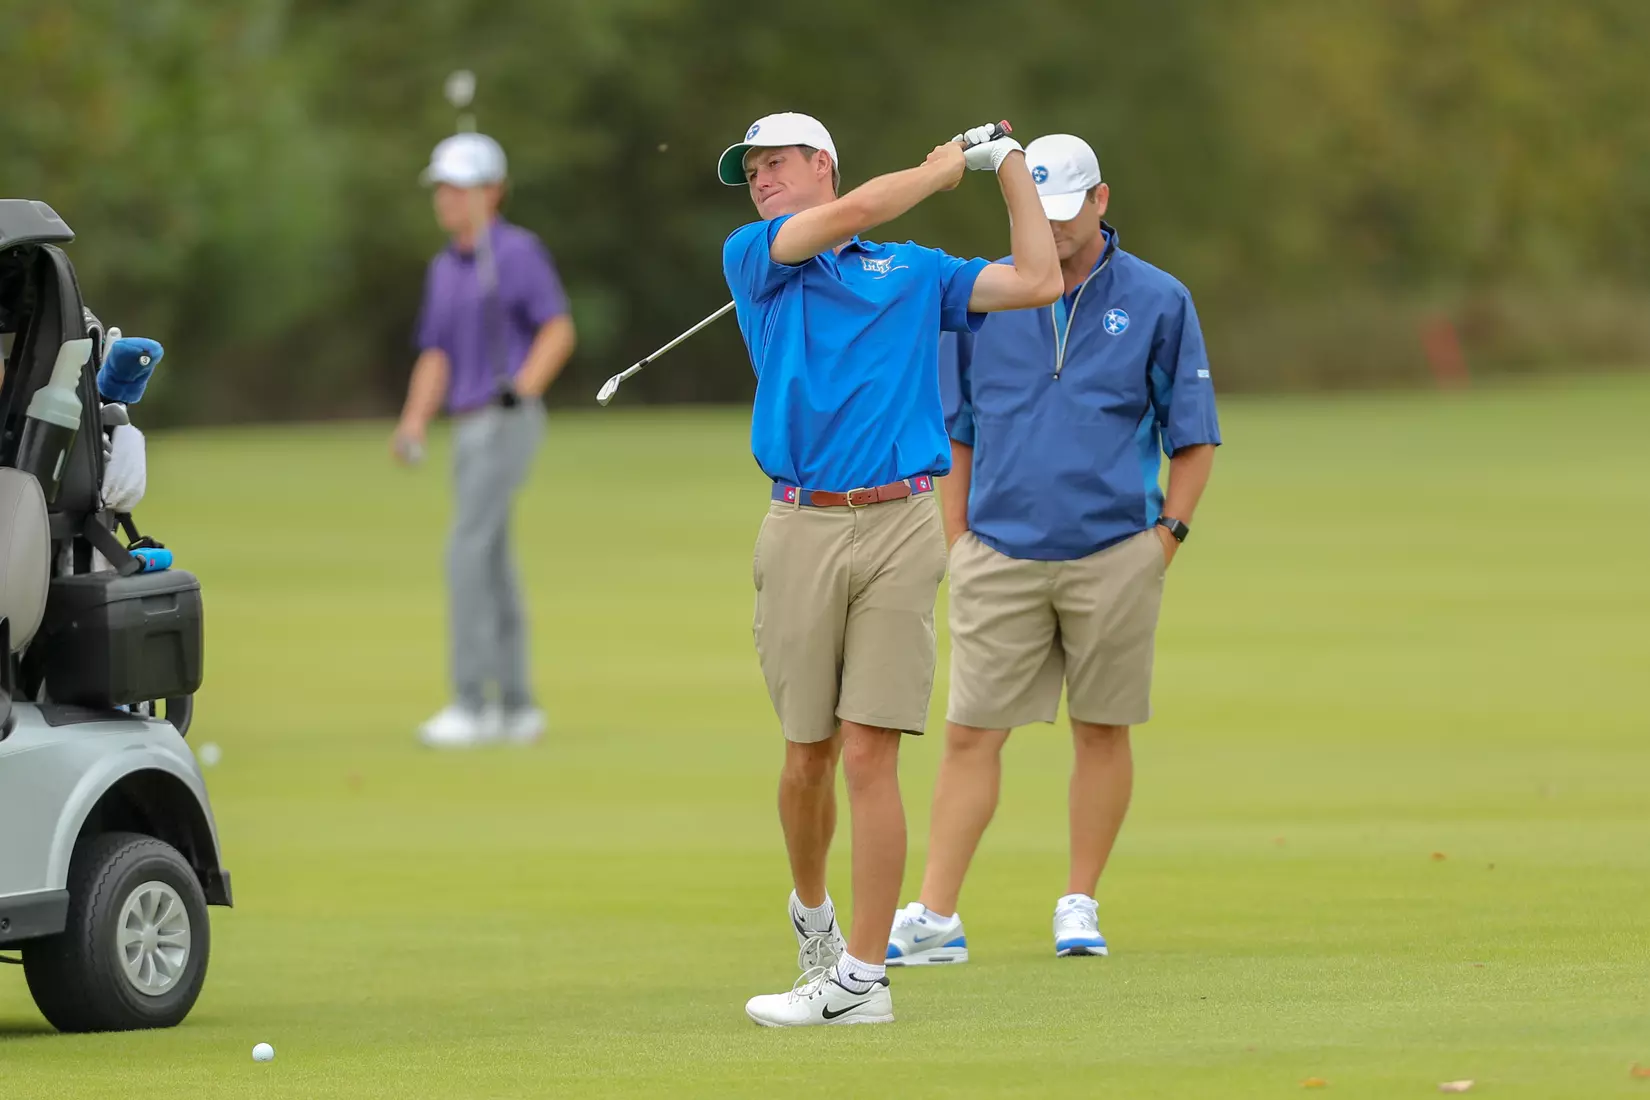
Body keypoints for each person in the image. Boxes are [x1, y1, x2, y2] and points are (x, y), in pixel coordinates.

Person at [719, 112, 1061, 1027]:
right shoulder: (756, 256)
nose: (760, 180)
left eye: (775, 163)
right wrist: (940, 170)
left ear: (820, 164)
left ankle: (861, 980)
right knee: (808, 757)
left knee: (871, 751)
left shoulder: (912, 271)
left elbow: (1039, 279)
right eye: (751, 171)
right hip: (801, 523)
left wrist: (1006, 165)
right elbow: (857, 211)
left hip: (904, 521)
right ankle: (814, 916)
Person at [885, 133, 1221, 966]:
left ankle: (1080, 901)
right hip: (998, 551)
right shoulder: (984, 296)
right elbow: (958, 429)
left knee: (1102, 730)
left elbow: (1193, 435)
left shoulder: (1159, 299)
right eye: (1038, 213)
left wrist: (1166, 539)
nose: (1054, 228)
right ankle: (936, 916)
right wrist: (957, 541)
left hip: (1117, 551)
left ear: (1101, 201)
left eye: (1068, 212)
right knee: (970, 733)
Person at [393, 131, 577, 748]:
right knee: (491, 560)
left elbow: (557, 329)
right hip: (467, 424)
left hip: (506, 419)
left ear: (492, 192)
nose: (446, 199)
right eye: (442, 188)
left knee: (467, 552)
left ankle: (472, 704)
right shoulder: (444, 267)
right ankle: (517, 706)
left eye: (459, 188)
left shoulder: (517, 253)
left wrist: (522, 388)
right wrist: (414, 420)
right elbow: (436, 353)